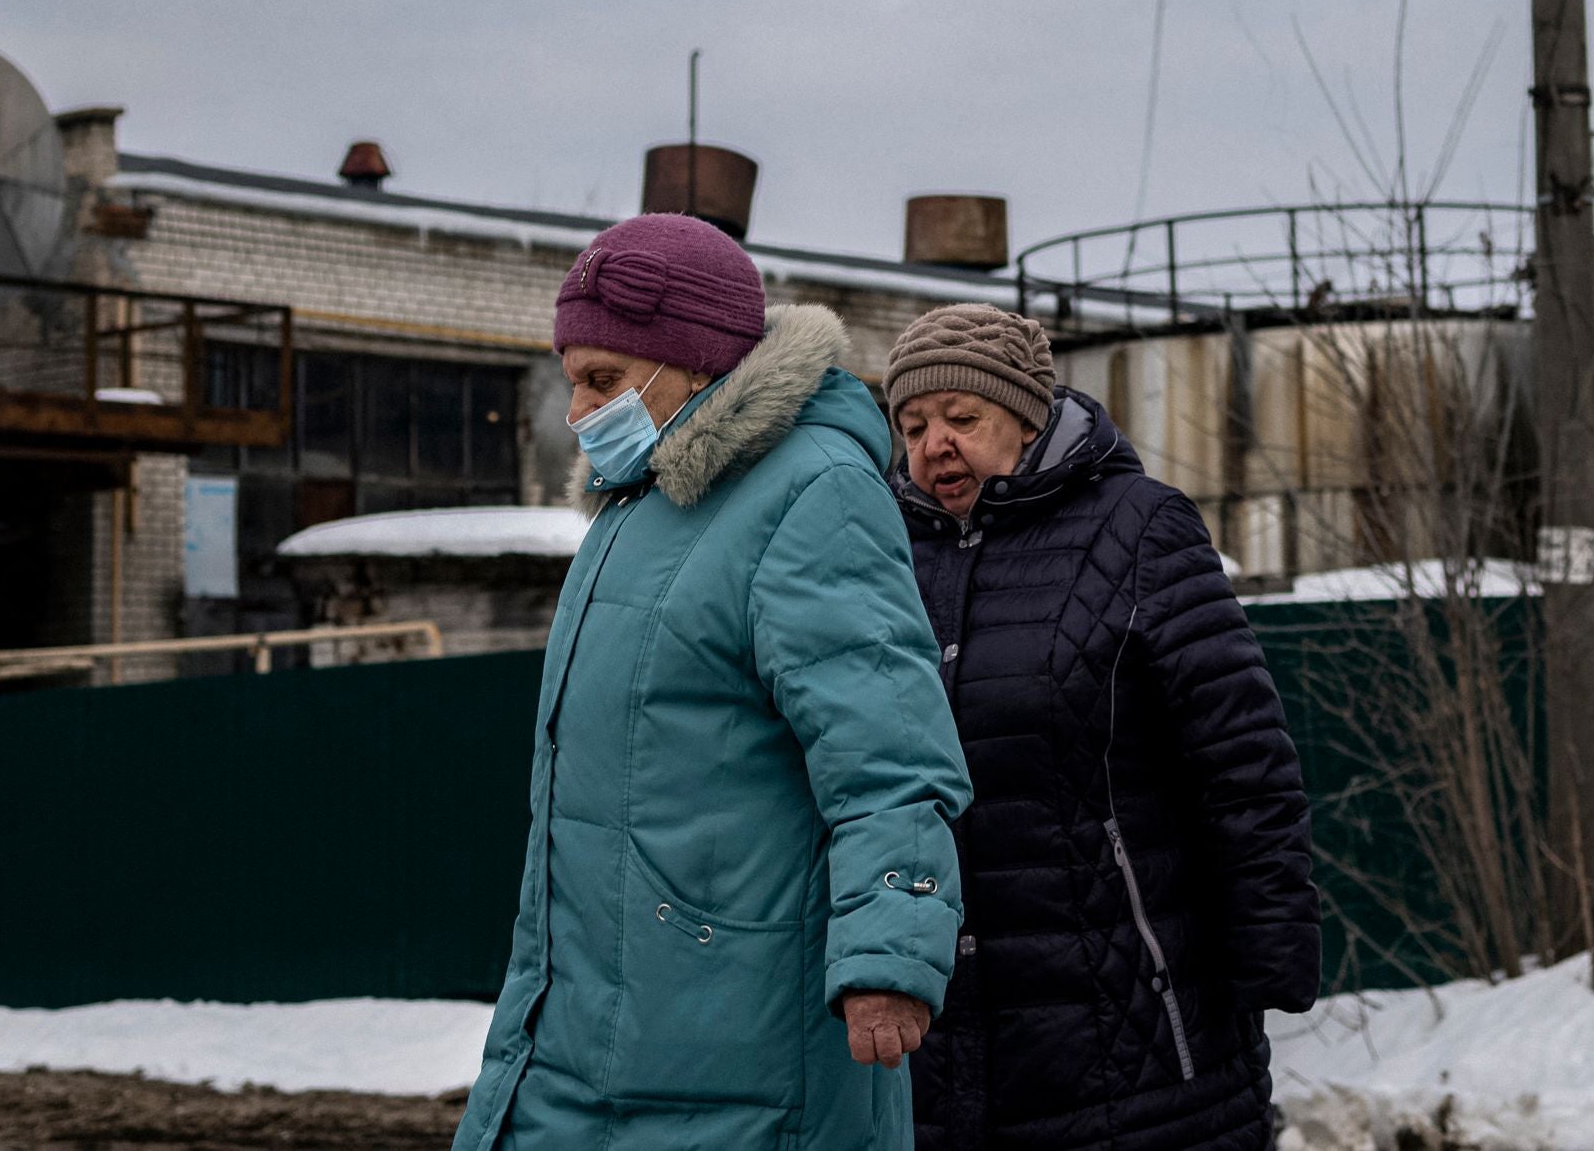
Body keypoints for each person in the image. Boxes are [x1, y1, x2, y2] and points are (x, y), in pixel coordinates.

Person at [461, 215, 973, 1151]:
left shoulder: (812, 492)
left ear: (695, 365)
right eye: (573, 381)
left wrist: (889, 954)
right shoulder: (638, 507)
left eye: (604, 381)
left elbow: (890, 751)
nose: (579, 413)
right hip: (589, 1040)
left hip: (740, 1057)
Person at [882, 302, 1317, 1151]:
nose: (936, 443)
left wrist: (1271, 953)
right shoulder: (880, 552)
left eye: (962, 417)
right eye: (913, 423)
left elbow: (1242, 757)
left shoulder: (1139, 527)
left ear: (1027, 416)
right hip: (939, 1042)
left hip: (1134, 1020)